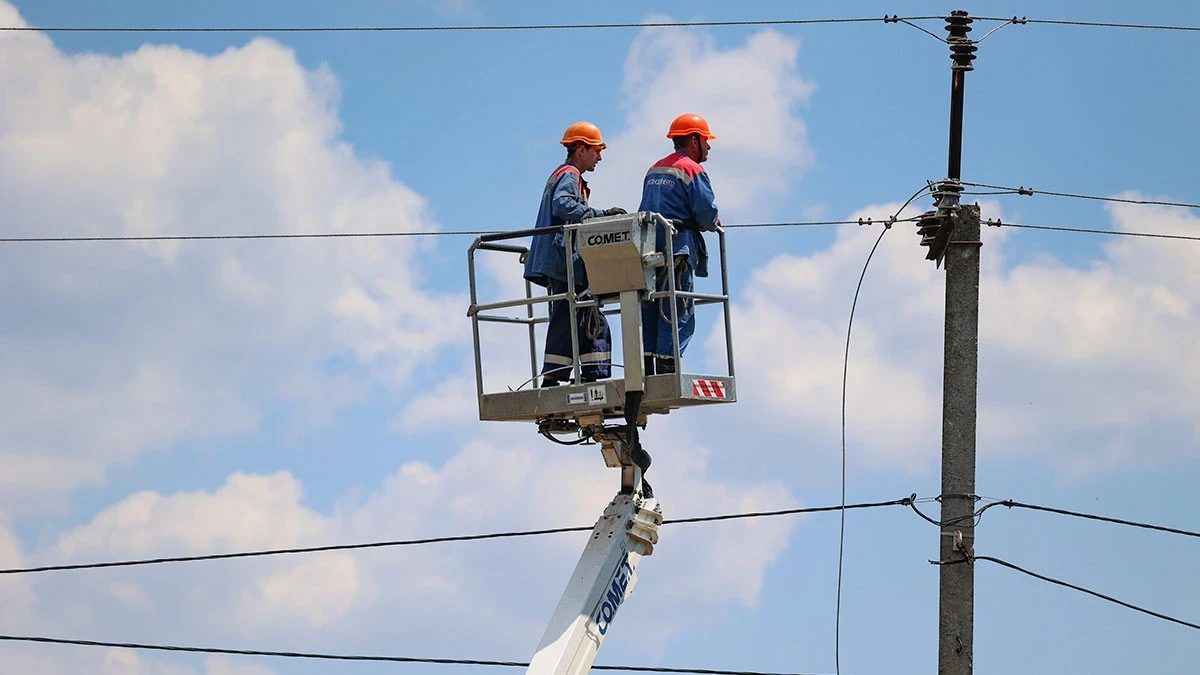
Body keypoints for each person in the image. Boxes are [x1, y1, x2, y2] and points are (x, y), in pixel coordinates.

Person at [523, 121, 627, 387]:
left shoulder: (564, 174)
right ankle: (561, 375)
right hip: (563, 261)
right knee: (571, 315)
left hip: (564, 261)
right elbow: (563, 205)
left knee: (582, 315)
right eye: (596, 150)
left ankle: (589, 373)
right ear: (580, 149)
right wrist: (600, 216)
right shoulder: (569, 174)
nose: (600, 157)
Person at [637, 113, 721, 375]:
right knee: (678, 306)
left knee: (652, 303)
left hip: (648, 248)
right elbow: (706, 214)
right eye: (706, 140)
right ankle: (668, 367)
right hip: (677, 248)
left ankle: (649, 368)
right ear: (694, 140)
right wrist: (714, 221)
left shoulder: (654, 169)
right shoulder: (692, 169)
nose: (708, 146)